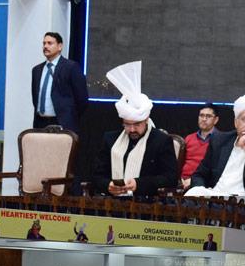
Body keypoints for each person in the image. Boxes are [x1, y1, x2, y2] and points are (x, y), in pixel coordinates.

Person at [187, 58, 245, 196]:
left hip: (241, 202)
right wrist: (201, 191)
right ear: (236, 122)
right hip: (214, 195)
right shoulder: (220, 141)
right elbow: (199, 175)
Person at [92, 61, 178, 196]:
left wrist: (139, 184)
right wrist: (108, 185)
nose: (132, 130)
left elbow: (170, 178)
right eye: (127, 124)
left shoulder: (161, 141)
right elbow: (96, 175)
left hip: (146, 203)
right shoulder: (110, 139)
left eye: (137, 124)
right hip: (111, 202)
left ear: (146, 120)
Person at [31, 32, 88, 134]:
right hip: (40, 122)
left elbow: (82, 98)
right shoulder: (37, 70)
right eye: (44, 43)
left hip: (62, 122)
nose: (45, 46)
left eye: (50, 43)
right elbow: (35, 97)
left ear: (60, 46)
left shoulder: (71, 67)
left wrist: (69, 116)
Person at [182, 103, 221, 186]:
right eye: (201, 115)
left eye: (208, 116)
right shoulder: (189, 138)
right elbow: (180, 163)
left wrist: (192, 181)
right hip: (182, 182)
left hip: (204, 183)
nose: (204, 119)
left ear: (216, 120)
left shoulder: (221, 140)